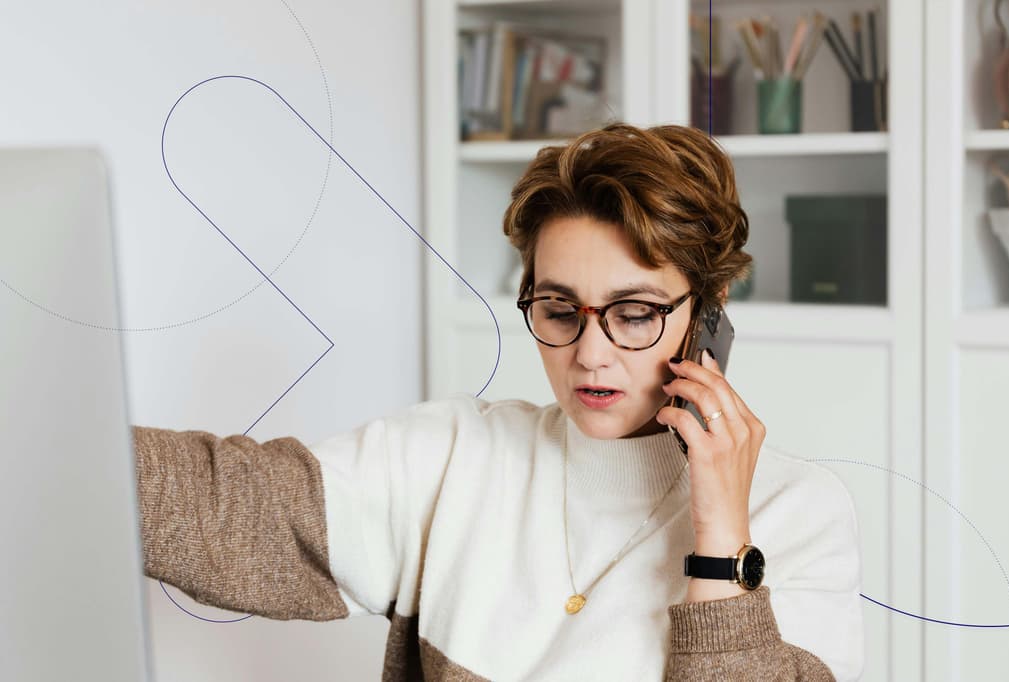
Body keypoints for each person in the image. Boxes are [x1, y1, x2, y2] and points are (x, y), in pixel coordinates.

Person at [133, 122, 864, 681]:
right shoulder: (454, 456)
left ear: (708, 314)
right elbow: (226, 506)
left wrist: (719, 545)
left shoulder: (798, 513)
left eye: (634, 313)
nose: (590, 351)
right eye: (559, 307)